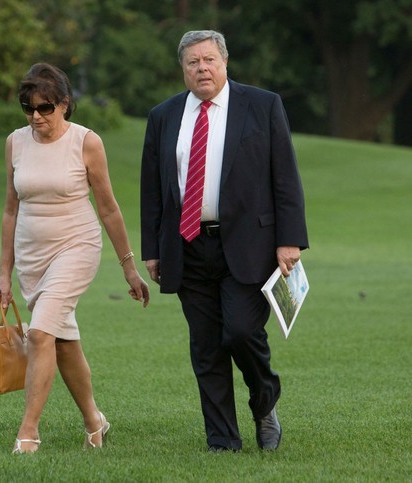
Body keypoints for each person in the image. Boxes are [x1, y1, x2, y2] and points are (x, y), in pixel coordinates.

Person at [140, 30, 308, 452]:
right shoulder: (163, 116)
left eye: (209, 59)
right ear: (183, 69)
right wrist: (153, 249)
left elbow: (285, 176)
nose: (202, 68)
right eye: (193, 62)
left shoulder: (263, 105)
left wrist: (290, 240)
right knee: (206, 348)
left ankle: (264, 401)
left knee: (238, 331)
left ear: (225, 62)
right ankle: (222, 439)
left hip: (251, 245)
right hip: (186, 245)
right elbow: (153, 190)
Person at [0, 62, 149, 454]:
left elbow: (109, 208)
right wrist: (3, 275)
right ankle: (95, 421)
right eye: (28, 108)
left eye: (45, 108)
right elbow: (10, 210)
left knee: (41, 333)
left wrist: (129, 267)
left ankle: (28, 431)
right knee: (62, 342)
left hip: (77, 246)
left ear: (65, 104)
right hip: (32, 255)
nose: (35, 117)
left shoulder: (86, 142)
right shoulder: (16, 142)